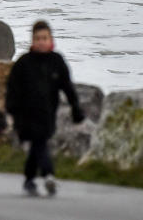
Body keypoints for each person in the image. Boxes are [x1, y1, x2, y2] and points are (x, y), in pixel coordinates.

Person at [5, 20, 85, 197]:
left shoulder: (57, 61)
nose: (41, 42)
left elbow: (67, 87)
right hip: (26, 114)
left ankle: (29, 179)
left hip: (48, 113)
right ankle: (48, 174)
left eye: (45, 38)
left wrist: (76, 108)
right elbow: (12, 89)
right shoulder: (23, 63)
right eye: (38, 38)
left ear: (51, 40)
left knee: (38, 144)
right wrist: (12, 111)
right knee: (40, 141)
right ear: (32, 41)